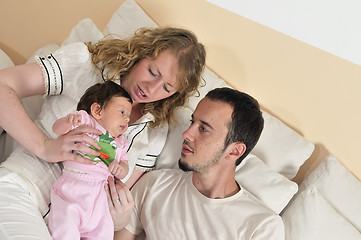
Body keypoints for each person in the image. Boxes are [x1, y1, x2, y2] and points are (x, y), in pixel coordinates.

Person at [0, 27, 206, 239]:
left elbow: (114, 190)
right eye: (153, 72)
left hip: (82, 228)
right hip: (21, 191)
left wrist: (119, 219)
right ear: (140, 53)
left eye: (167, 88)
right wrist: (43, 146)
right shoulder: (84, 66)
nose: (151, 88)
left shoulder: (155, 131)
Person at [109, 87, 285, 240]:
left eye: (204, 128)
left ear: (234, 151)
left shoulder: (262, 226)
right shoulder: (155, 184)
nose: (186, 133)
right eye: (193, 122)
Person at [48, 81, 132, 240]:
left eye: (128, 116)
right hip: (74, 187)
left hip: (101, 197)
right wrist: (68, 121)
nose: (127, 119)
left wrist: (121, 169)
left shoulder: (121, 143)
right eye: (122, 112)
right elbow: (56, 129)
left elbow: (125, 166)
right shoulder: (86, 121)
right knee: (65, 224)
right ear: (97, 110)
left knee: (103, 231)